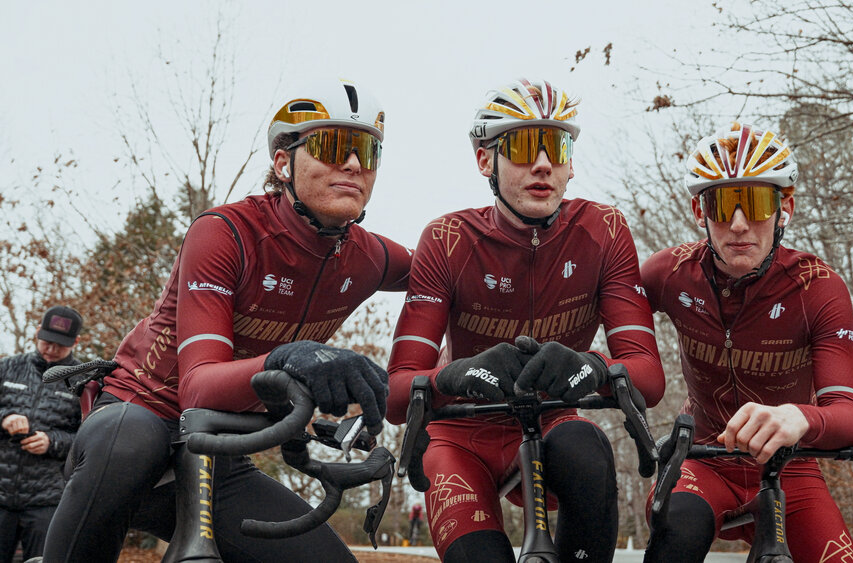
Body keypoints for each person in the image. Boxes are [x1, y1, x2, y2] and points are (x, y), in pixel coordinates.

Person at [43, 79, 411, 563]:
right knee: (132, 443)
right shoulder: (226, 233)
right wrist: (291, 359)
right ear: (283, 163)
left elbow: (452, 277)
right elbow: (198, 387)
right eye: (333, 145)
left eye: (369, 151)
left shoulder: (369, 256)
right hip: (137, 419)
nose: (355, 164)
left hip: (217, 454)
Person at [387, 78, 665, 563]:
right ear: (484, 161)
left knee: (587, 447)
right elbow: (396, 394)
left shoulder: (605, 231)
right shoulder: (447, 239)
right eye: (520, 147)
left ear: (571, 164)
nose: (542, 164)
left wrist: (593, 366)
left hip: (554, 425)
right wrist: (453, 375)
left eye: (556, 147)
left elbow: (649, 378)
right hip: (461, 437)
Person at [640, 122, 853, 562]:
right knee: (676, 531)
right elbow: (608, 320)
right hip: (702, 462)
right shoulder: (669, 273)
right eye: (723, 205)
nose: (739, 224)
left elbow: (851, 417)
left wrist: (798, 417)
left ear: (785, 209)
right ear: (699, 211)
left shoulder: (818, 288)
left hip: (790, 469)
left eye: (758, 203)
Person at [0, 306, 83, 563]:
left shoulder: (84, 381)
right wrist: (4, 419)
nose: (51, 349)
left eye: (61, 345)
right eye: (47, 341)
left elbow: (90, 439)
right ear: (37, 332)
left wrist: (53, 442)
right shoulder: (7, 368)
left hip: (48, 501)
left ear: (76, 342)